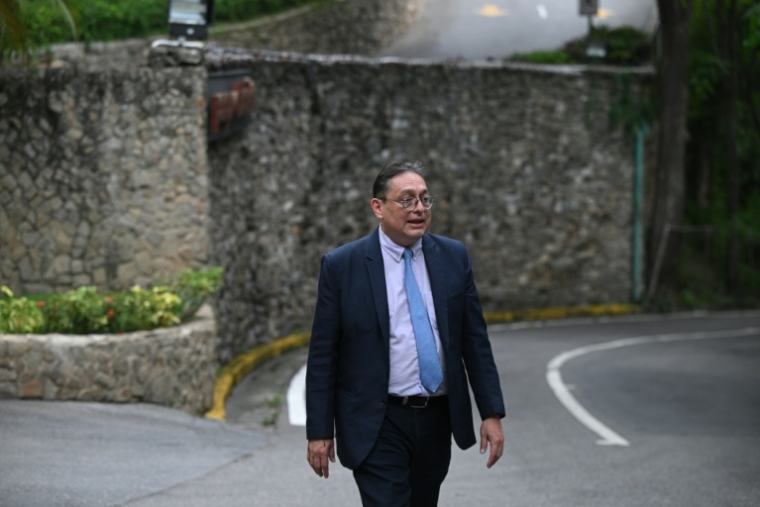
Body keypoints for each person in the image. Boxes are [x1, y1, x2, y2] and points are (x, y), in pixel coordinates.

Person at [306, 160, 505, 506]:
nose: (418, 209)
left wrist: (491, 413)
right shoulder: (343, 266)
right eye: (407, 200)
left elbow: (474, 341)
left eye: (425, 200)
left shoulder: (454, 257)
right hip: (377, 420)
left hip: (436, 417)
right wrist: (320, 431)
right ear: (378, 207)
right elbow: (324, 354)